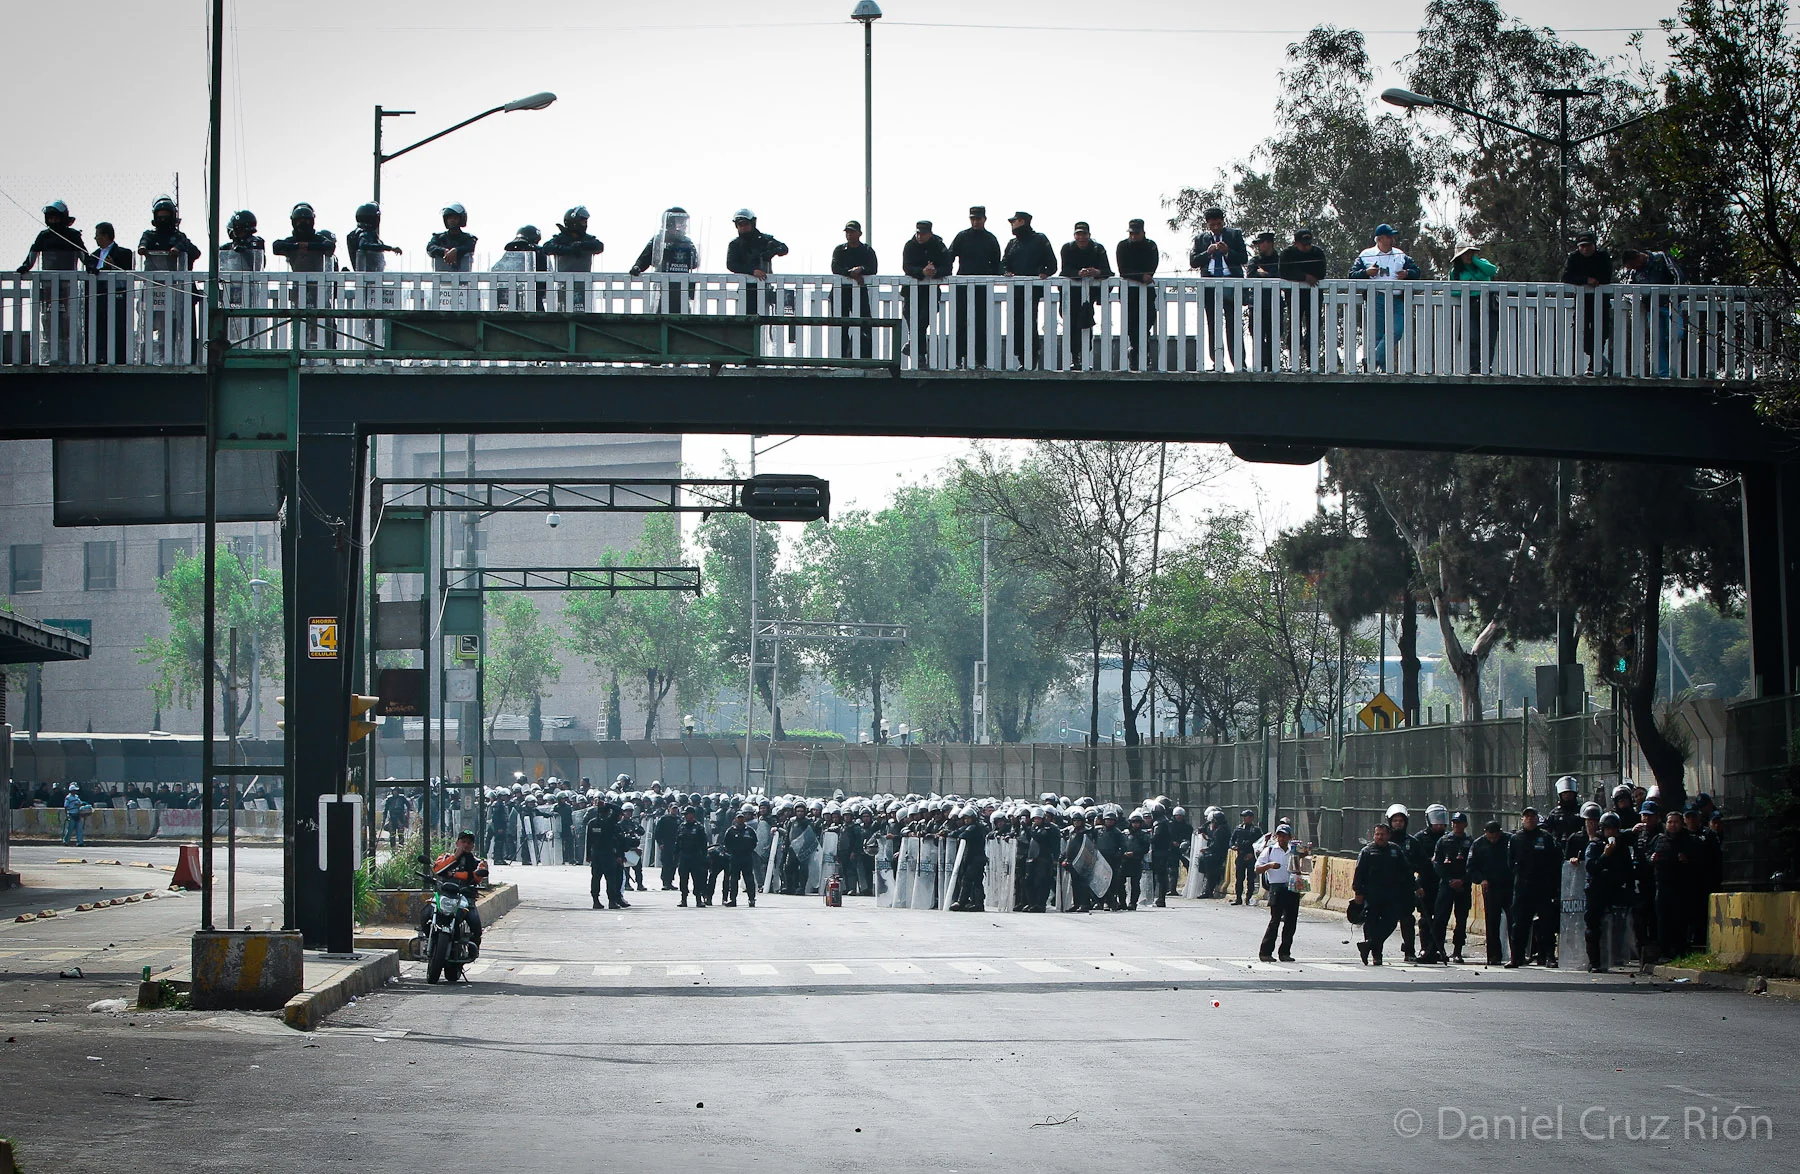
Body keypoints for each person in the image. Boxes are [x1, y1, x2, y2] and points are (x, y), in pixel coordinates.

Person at [1349, 224, 1418, 372]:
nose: (1392, 239)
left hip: (1397, 298)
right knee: (1379, 335)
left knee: (1396, 331)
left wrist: (1407, 273)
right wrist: (1366, 272)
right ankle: (1385, 370)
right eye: (1388, 236)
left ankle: (1371, 361)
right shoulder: (1366, 254)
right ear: (1379, 239)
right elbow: (1352, 274)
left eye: (1392, 236)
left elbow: (1416, 271)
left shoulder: (1400, 254)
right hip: (1377, 297)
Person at [1187, 206, 1246, 369]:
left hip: (1230, 282)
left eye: (1219, 224)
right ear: (1208, 224)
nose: (1216, 228)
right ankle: (1217, 362)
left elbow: (1244, 258)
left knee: (1234, 324)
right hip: (1210, 284)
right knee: (1213, 324)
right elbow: (1193, 262)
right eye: (1212, 225)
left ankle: (1239, 363)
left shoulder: (1234, 235)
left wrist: (1228, 252)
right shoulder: (1201, 239)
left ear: (1223, 222)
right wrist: (1207, 253)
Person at [1353, 821, 1417, 965]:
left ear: (1388, 835)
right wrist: (1358, 893)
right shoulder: (1367, 851)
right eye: (1377, 834)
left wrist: (1416, 886)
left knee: (1390, 923)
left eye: (1382, 834)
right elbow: (1359, 874)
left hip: (1391, 894)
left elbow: (1406, 871)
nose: (1380, 837)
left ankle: (1368, 945)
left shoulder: (1395, 850)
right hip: (1372, 894)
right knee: (1371, 924)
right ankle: (1377, 955)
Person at [948, 206, 1003, 368]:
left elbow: (996, 264)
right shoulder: (962, 237)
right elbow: (949, 257)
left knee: (981, 323)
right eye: (973, 218)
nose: (976, 221)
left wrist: (1002, 274)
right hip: (962, 286)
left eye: (978, 218)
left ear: (984, 219)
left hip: (983, 286)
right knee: (960, 323)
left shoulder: (990, 239)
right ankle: (958, 358)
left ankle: (980, 360)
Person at [1508, 806, 1562, 967]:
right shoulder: (1516, 838)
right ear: (1522, 819)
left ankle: (1549, 957)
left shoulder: (1545, 838)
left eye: (1533, 816)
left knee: (1546, 924)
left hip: (1542, 887)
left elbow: (1556, 860)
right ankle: (1516, 957)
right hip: (1523, 887)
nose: (1530, 819)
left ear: (1537, 819)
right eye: (1527, 816)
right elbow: (1510, 862)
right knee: (1519, 924)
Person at [1002, 211, 1056, 367]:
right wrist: (1005, 271)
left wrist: (1044, 272)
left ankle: (1031, 357)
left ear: (1022, 221)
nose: (1012, 224)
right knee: (1015, 324)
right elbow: (1003, 263)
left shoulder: (1040, 239)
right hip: (1015, 290)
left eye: (1014, 221)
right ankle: (1021, 357)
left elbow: (1052, 264)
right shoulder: (1012, 243)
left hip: (1033, 290)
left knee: (1030, 322)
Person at [1620, 247, 1685, 377]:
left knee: (1677, 334)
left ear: (1638, 257)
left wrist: (1675, 295)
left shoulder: (1661, 258)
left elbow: (1677, 275)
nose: (1633, 268)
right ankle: (1663, 373)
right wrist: (1638, 300)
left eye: (1633, 265)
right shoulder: (1634, 272)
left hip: (1671, 304)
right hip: (1652, 308)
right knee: (1657, 341)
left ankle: (1668, 354)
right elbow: (1627, 290)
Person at [1583, 811, 1635, 972]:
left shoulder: (1622, 847)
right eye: (1608, 829)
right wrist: (1605, 855)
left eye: (1614, 829)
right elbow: (1591, 867)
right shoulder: (1595, 845)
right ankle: (1595, 962)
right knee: (1592, 925)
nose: (1611, 832)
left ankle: (1619, 956)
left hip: (1615, 889)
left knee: (1623, 922)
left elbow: (1628, 870)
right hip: (1597, 890)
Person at [1059, 221, 1112, 369]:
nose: (1081, 237)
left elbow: (1107, 270)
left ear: (1089, 235)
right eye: (1078, 234)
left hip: (1089, 296)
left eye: (1084, 234)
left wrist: (1096, 272)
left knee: (1086, 325)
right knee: (1070, 326)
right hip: (1071, 295)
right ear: (1074, 235)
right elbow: (1065, 270)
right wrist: (1078, 273)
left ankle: (1083, 358)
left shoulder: (1097, 249)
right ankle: (1075, 358)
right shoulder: (1068, 248)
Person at [1562, 230, 1614, 375]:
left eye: (1588, 245)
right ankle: (1598, 359)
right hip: (1581, 303)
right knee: (1582, 334)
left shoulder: (1603, 256)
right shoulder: (1573, 258)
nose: (1585, 249)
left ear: (1594, 245)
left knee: (1601, 333)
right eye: (1582, 246)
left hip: (1601, 301)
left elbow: (1606, 276)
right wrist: (1586, 280)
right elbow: (1566, 276)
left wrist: (1596, 280)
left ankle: (1593, 365)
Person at [429, 831, 490, 953]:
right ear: (457, 843)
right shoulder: (445, 857)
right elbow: (438, 869)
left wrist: (452, 874)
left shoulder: (478, 862)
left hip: (465, 898)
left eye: (469, 843)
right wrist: (455, 857)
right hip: (444, 895)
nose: (465, 845)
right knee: (426, 914)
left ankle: (473, 950)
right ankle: (427, 940)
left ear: (473, 846)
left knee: (475, 924)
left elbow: (476, 877)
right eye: (463, 842)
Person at [1277, 227, 1328, 368]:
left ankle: (1311, 360)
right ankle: (1293, 360)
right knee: (1294, 325)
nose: (1307, 247)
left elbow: (1321, 272)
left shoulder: (1317, 252)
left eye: (1309, 243)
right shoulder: (1287, 253)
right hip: (1294, 296)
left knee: (1314, 325)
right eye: (1303, 244)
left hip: (1314, 295)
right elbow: (1284, 272)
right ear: (1296, 243)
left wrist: (1304, 276)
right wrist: (1304, 277)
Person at [1256, 822, 1307, 962]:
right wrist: (1270, 865)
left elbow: (1302, 862)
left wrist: (1305, 852)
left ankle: (1285, 952)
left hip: (1292, 887)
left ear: (1290, 837)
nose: (1282, 839)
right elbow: (1258, 868)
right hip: (1277, 888)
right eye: (1280, 836)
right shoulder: (1270, 850)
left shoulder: (1294, 850)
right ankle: (1265, 952)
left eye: (1285, 836)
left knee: (1291, 921)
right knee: (1275, 921)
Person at [725, 208, 788, 319]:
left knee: (765, 319)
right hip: (746, 288)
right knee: (747, 319)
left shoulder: (764, 240)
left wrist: (771, 252)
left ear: (752, 223)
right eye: (740, 225)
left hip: (765, 286)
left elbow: (784, 248)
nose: (743, 227)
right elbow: (732, 264)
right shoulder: (735, 244)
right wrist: (752, 271)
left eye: (746, 224)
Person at [1447, 240, 1499, 373]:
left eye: (1470, 253)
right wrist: (1467, 289)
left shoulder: (1483, 264)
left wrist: (1475, 261)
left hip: (1488, 302)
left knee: (1490, 336)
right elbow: (1452, 289)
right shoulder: (1456, 272)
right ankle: (1474, 367)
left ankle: (1487, 366)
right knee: (1473, 337)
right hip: (1470, 304)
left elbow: (1492, 271)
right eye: (1464, 254)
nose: (1467, 256)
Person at [831, 220, 880, 360]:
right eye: (847, 232)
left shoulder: (866, 250)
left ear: (860, 233)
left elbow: (873, 268)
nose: (849, 234)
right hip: (840, 292)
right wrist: (851, 273)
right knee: (842, 326)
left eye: (852, 231)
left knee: (864, 324)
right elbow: (835, 268)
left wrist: (862, 269)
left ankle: (863, 357)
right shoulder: (840, 250)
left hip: (859, 292)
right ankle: (842, 358)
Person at [1115, 218, 1160, 370]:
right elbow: (1123, 270)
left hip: (1147, 292)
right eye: (1131, 233)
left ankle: (1143, 353)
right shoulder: (1122, 246)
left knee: (1147, 321)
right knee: (1132, 325)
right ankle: (1135, 354)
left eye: (1136, 233)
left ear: (1143, 232)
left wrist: (1144, 276)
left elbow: (1152, 266)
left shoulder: (1151, 246)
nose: (1133, 236)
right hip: (1129, 293)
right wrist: (1140, 277)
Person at [1429, 811, 1473, 964]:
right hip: (1446, 885)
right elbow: (1437, 863)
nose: (1456, 825)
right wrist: (1448, 880)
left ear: (1465, 824)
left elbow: (1473, 864)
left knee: (1461, 919)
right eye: (1454, 822)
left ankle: (1457, 951)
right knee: (1440, 918)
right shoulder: (1443, 841)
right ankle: (1438, 949)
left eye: (1459, 823)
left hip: (1463, 885)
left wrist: (1463, 880)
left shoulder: (1470, 842)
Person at [1467, 819, 1512, 966]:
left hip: (1509, 885)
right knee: (1492, 922)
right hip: (1490, 887)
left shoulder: (1510, 841)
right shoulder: (1479, 844)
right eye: (1490, 837)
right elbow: (1471, 867)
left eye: (1495, 837)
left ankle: (1517, 954)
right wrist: (1481, 879)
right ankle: (1493, 956)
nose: (1493, 840)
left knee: (1514, 921)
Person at [89, 221, 132, 363]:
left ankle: (119, 357)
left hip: (117, 296)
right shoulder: (94, 255)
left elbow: (128, 270)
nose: (95, 239)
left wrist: (113, 266)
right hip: (98, 297)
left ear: (105, 235)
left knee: (118, 328)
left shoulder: (124, 253)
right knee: (99, 328)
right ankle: (99, 356)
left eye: (97, 235)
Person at [1414, 804, 1449, 963]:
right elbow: (1414, 861)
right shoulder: (1420, 839)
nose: (1439, 825)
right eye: (1436, 821)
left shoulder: (1448, 838)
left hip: (1443, 882)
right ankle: (1424, 947)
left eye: (1442, 821)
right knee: (1425, 917)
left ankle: (1438, 948)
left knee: (1441, 918)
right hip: (1426, 881)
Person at [1244, 230, 1282, 371]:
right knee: (1257, 335)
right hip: (1256, 304)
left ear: (1269, 243)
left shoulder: (1280, 259)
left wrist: (1263, 273)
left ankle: (1273, 366)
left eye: (1260, 243)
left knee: (1274, 335)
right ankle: (1260, 365)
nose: (1258, 246)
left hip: (1274, 303)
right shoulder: (1254, 260)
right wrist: (1264, 274)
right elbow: (1251, 275)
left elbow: (1281, 275)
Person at [271, 203, 336, 271]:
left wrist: (307, 246)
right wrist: (297, 246)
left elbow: (330, 246)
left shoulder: (318, 239)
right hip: (297, 279)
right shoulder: (291, 241)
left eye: (307, 221)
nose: (303, 224)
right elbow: (276, 246)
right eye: (299, 221)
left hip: (319, 279)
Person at [949, 807, 988, 911]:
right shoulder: (969, 827)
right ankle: (976, 903)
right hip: (972, 858)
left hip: (976, 858)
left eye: (968, 818)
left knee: (967, 879)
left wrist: (957, 835)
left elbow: (963, 835)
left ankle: (962, 902)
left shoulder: (974, 828)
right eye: (965, 818)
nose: (966, 820)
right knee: (976, 881)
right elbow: (955, 833)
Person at [346, 203, 402, 272]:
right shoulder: (364, 233)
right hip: (369, 276)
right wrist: (390, 248)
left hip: (365, 276)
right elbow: (363, 245)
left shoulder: (354, 234)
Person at [721, 808, 759, 907]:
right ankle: (733, 900)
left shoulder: (750, 831)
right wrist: (732, 851)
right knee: (733, 879)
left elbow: (754, 842)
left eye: (742, 818)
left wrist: (748, 849)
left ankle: (751, 899)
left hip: (746, 857)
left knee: (749, 879)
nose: (741, 820)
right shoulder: (731, 831)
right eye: (739, 818)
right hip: (735, 858)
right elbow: (726, 843)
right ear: (735, 819)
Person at [676, 805, 711, 907]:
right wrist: (676, 855)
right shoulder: (682, 826)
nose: (685, 816)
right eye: (684, 815)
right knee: (683, 878)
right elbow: (677, 842)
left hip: (695, 856)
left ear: (692, 815)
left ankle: (698, 899)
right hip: (684, 855)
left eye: (687, 814)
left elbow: (704, 843)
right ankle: (683, 899)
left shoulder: (699, 827)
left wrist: (704, 857)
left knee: (697, 879)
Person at [1229, 808, 1263, 905]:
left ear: (1251, 818)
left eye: (1246, 817)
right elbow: (1232, 840)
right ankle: (1238, 898)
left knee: (1250, 878)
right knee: (1239, 878)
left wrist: (1253, 853)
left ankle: (1248, 897)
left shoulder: (1256, 830)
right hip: (1241, 854)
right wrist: (1233, 846)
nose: (1244, 819)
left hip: (1251, 856)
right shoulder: (1238, 828)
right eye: (1244, 817)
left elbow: (1260, 843)